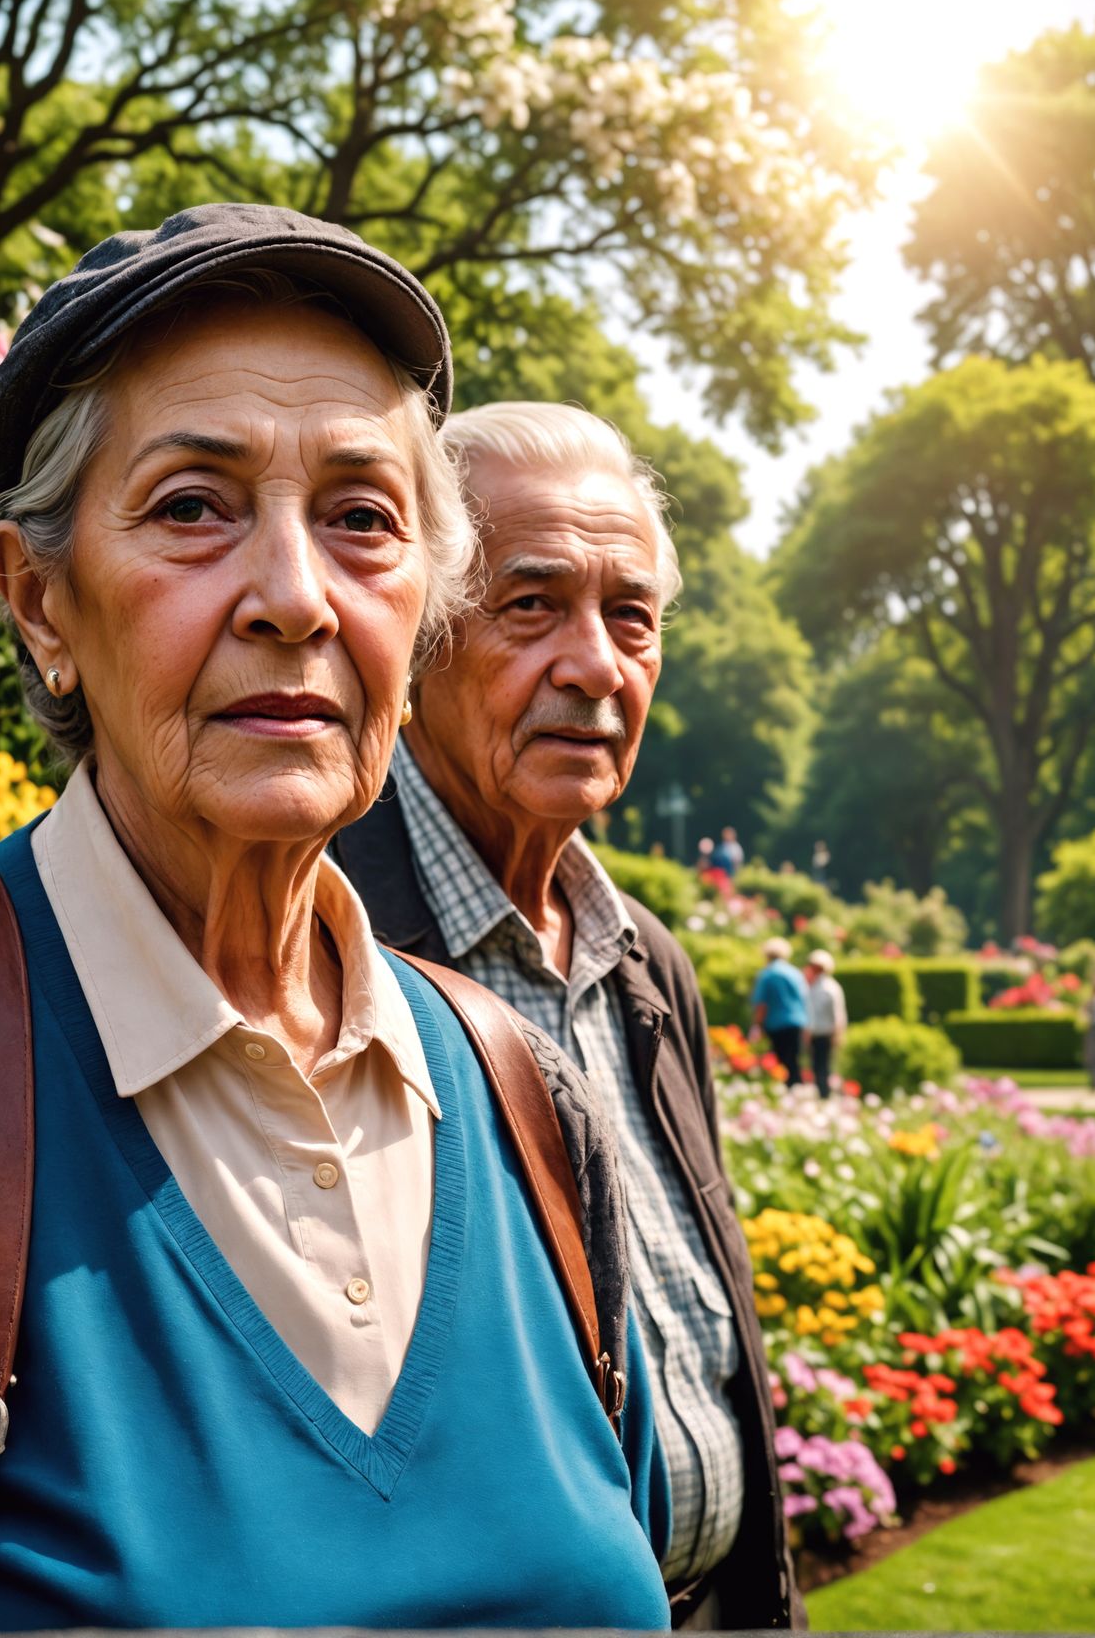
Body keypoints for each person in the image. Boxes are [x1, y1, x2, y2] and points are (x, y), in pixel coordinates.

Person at [0, 208, 671, 1634]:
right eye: (194, 506)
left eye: (362, 519)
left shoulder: (525, 1101)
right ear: (41, 603)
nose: (293, 597)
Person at [333, 401, 799, 1632]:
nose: (595, 664)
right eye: (530, 604)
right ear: (417, 626)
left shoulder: (650, 959)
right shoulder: (319, 945)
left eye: (629, 615)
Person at [749, 939, 809, 1086]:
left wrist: (757, 1025)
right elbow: (804, 999)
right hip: (796, 1022)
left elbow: (761, 1004)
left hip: (776, 1024)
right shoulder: (795, 973)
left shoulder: (767, 974)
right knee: (794, 1061)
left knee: (779, 1063)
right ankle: (797, 1092)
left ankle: (784, 1092)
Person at [803, 950, 847, 1099]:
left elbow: (837, 1015)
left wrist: (837, 1034)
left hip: (826, 1033)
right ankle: (822, 1093)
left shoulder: (829, 988)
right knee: (817, 1067)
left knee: (824, 1067)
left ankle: (826, 1094)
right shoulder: (814, 986)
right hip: (817, 1033)